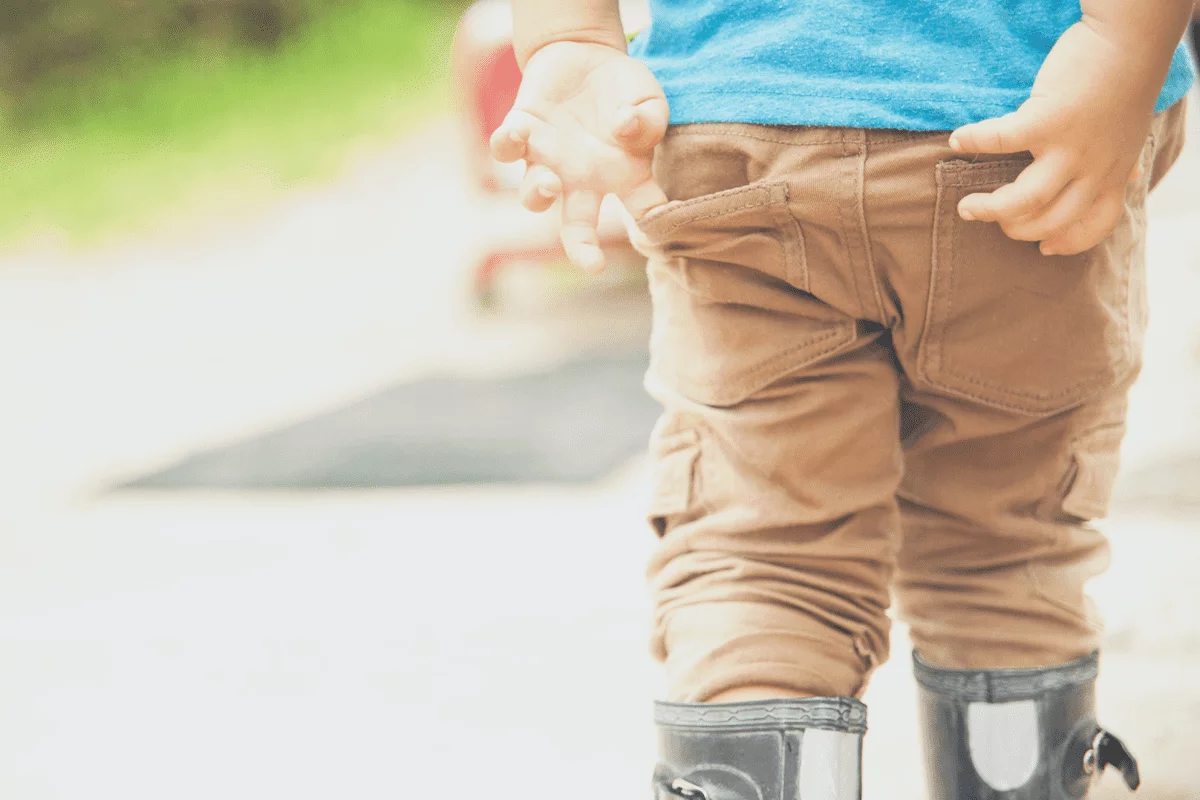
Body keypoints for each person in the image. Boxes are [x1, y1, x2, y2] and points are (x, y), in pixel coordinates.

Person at [490, 1, 1195, 798]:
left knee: (767, 558)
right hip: (1014, 116)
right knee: (1004, 552)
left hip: (744, 130)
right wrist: (1124, 45)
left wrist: (569, 38)